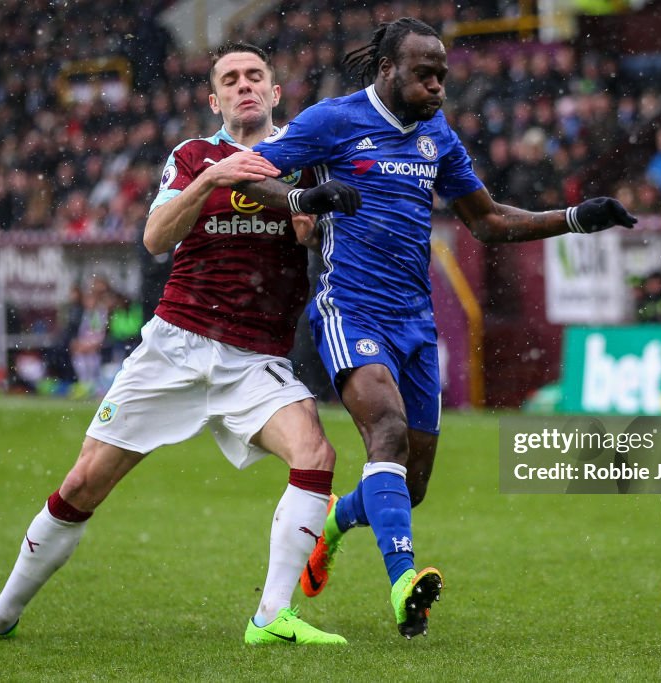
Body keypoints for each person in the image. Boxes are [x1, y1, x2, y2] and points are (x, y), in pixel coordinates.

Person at [0, 42, 362, 647]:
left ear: (276, 93)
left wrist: (309, 233)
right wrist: (211, 178)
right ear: (215, 98)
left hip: (256, 358)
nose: (244, 85)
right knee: (81, 485)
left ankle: (271, 618)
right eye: (230, 79)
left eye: (256, 75)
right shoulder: (193, 155)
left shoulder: (304, 161)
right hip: (176, 344)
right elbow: (154, 237)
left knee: (316, 454)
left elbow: (322, 246)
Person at [245, 17, 636, 640]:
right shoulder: (332, 121)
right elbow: (249, 174)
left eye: (442, 76)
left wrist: (576, 217)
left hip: (415, 323)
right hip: (351, 308)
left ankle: (337, 525)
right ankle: (403, 586)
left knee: (410, 484)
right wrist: (304, 200)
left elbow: (487, 221)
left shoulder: (437, 134)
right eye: (424, 74)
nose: (436, 87)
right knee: (388, 432)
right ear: (386, 71)